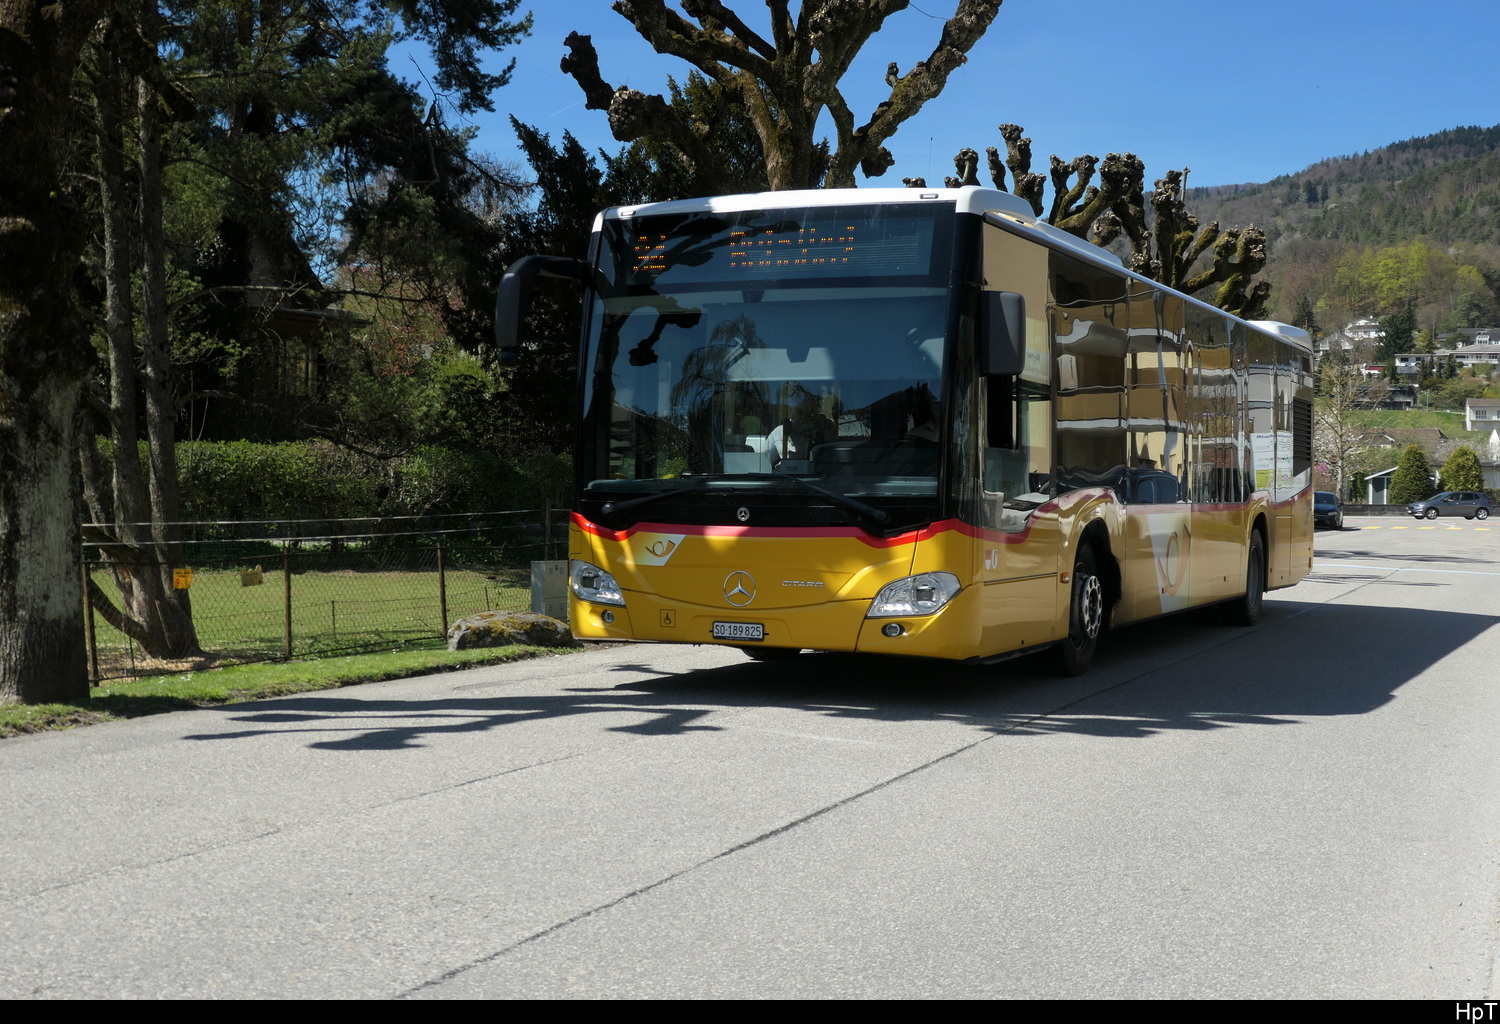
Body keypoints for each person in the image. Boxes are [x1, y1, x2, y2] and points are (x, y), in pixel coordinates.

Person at [767, 385, 835, 468]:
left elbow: (832, 457)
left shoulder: (825, 426)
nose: (799, 406)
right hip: (786, 478)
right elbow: (763, 460)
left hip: (818, 477)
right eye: (793, 402)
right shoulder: (779, 432)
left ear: (813, 404)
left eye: (803, 401)